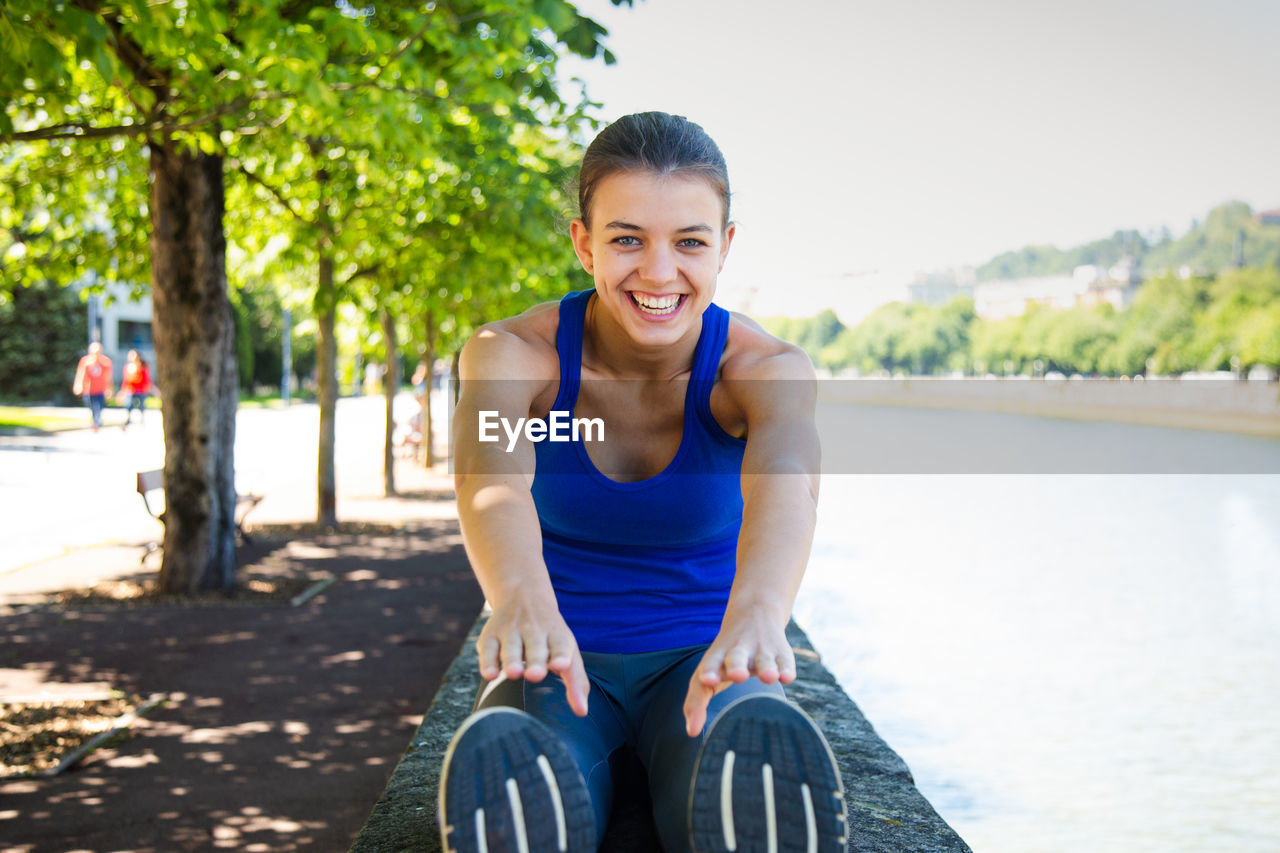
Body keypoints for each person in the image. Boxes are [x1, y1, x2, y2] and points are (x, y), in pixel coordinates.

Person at [443, 112, 845, 853]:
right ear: (583, 242)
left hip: (704, 659)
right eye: (627, 238)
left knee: (730, 766)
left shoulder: (763, 371)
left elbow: (787, 484)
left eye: (689, 241)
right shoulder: (514, 355)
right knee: (533, 759)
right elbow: (488, 479)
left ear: (724, 247)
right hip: (557, 654)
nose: (659, 272)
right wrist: (521, 601)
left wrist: (760, 615)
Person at [72, 342, 114, 432]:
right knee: (91, 406)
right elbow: (80, 374)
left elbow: (109, 378)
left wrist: (109, 390)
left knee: (99, 407)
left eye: (98, 352)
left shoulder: (105, 362)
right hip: (89, 390)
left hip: (100, 390)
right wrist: (78, 385)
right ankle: (95, 421)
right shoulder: (85, 361)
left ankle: (96, 423)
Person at [119, 350, 152, 429]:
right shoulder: (127, 368)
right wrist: (122, 391)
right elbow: (126, 381)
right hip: (131, 390)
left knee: (141, 406)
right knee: (129, 405)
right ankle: (128, 420)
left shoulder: (142, 367)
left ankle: (142, 420)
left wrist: (147, 387)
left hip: (140, 390)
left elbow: (146, 379)